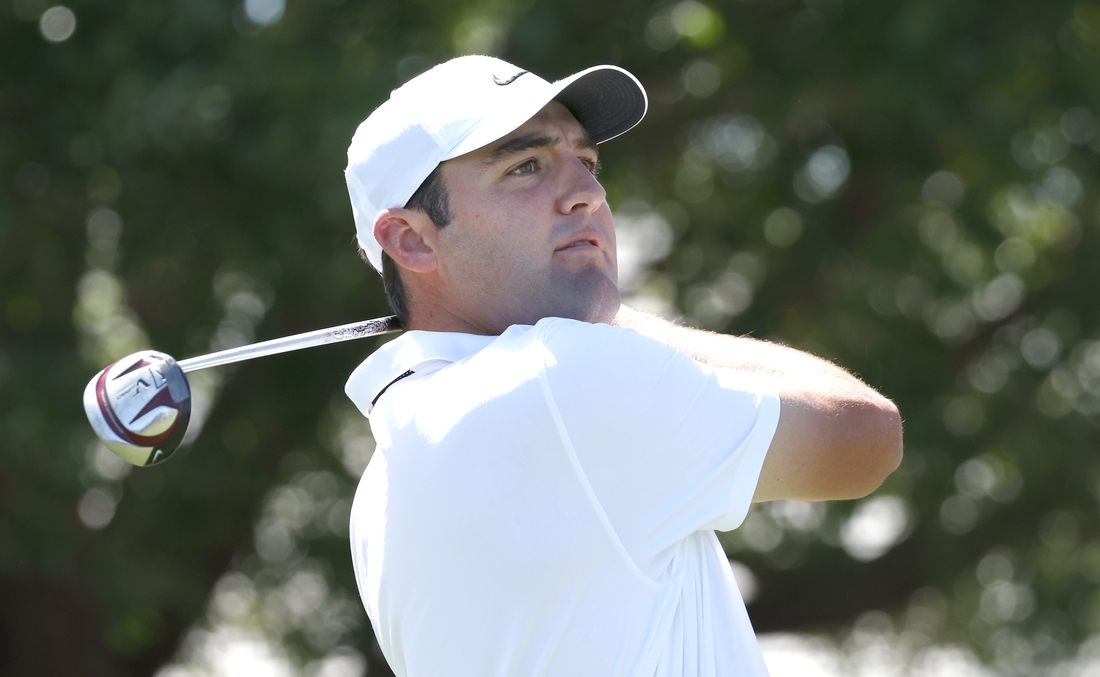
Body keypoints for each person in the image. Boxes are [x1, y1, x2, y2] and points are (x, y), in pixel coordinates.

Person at [342, 55, 903, 677]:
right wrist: (617, 320)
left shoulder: (379, 492)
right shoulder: (562, 382)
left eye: (585, 162)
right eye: (524, 166)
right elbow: (866, 435)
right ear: (412, 240)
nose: (589, 194)